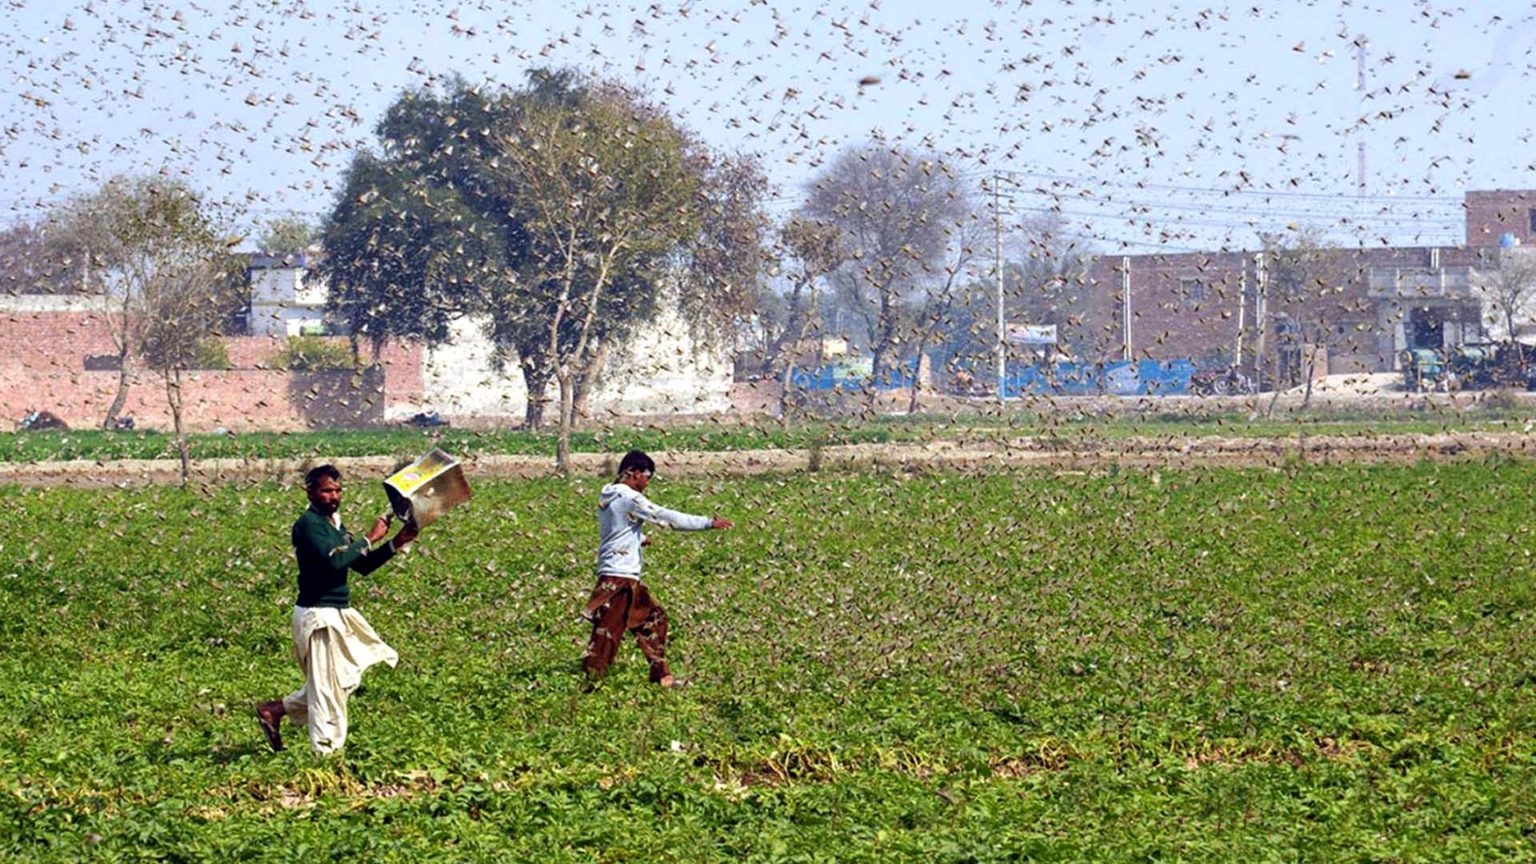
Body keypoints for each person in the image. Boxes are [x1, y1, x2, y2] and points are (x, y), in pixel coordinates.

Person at [256, 464, 418, 753]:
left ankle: (275, 710)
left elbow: (362, 565)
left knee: (341, 680)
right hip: (318, 615)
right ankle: (326, 756)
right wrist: (369, 538)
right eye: (327, 490)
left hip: (337, 611)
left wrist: (396, 542)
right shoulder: (308, 526)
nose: (334, 496)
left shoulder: (336, 526)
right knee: (327, 691)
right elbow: (333, 562)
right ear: (310, 493)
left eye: (338, 490)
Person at [580, 450, 732, 687]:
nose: (647, 483)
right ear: (635, 473)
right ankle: (588, 686)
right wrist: (707, 523)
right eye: (647, 476)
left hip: (625, 577)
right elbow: (664, 516)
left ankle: (661, 676)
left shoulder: (608, 496)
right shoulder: (630, 498)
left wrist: (638, 540)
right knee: (606, 636)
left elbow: (614, 531)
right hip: (618, 579)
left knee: (654, 618)